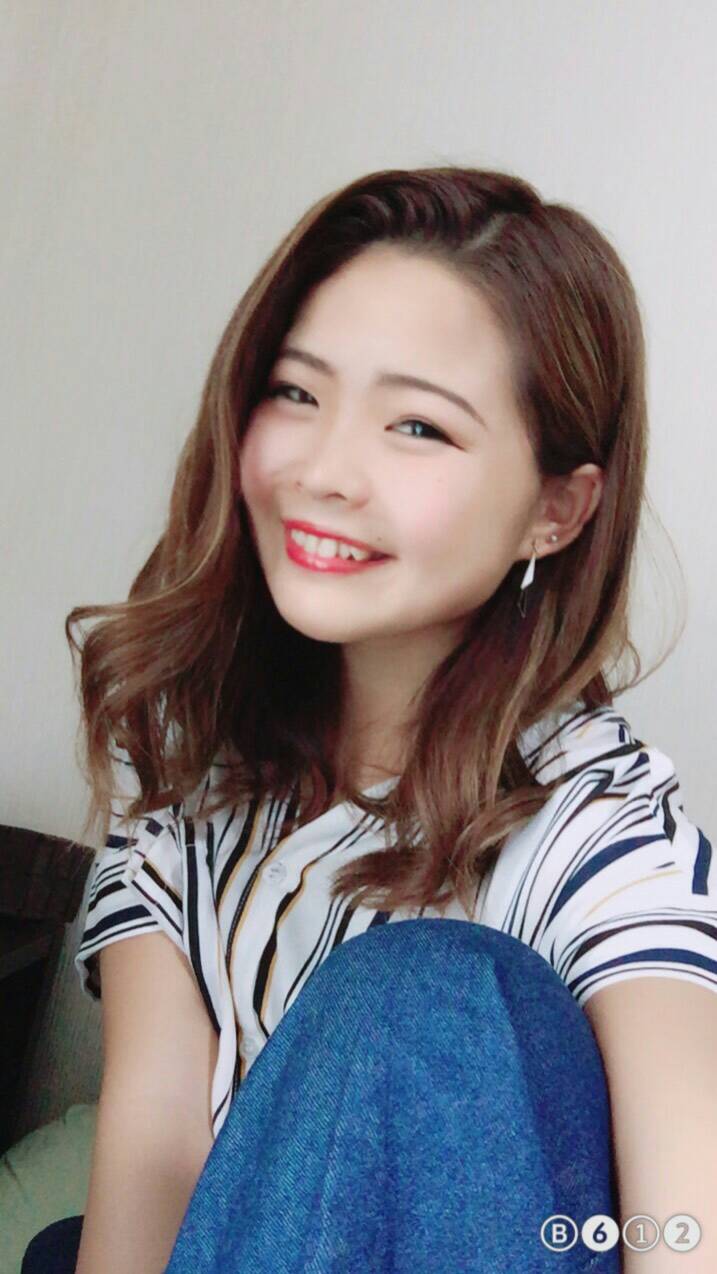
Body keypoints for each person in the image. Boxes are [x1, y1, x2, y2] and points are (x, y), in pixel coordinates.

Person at [26, 166, 716, 1271]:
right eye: (296, 393)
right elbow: (154, 1192)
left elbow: (689, 1227)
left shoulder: (600, 833)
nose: (324, 471)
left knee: (424, 991)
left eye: (418, 425)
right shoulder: (184, 821)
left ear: (555, 510)